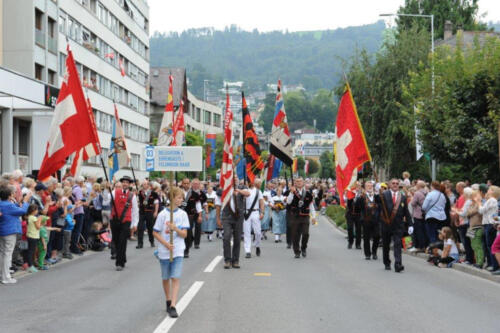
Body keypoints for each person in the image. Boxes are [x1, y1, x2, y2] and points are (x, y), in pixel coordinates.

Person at [153, 186, 189, 318]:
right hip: (164, 251)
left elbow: (184, 234)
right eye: (179, 197)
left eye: (182, 198)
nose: (181, 200)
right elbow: (155, 232)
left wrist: (176, 229)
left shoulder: (182, 214)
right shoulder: (163, 214)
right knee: (166, 277)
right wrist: (166, 244)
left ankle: (173, 305)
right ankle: (168, 299)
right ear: (172, 198)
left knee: (175, 277)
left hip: (178, 250)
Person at [379, 178, 413, 272]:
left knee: (397, 244)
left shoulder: (402, 197)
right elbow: (379, 206)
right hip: (386, 224)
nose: (395, 185)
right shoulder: (384, 195)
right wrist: (379, 194)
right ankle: (387, 262)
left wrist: (410, 224)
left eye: (397, 183)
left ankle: (398, 264)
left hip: (398, 225)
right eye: (393, 183)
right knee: (386, 245)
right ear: (389, 185)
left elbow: (406, 211)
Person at [0, 185, 31, 284]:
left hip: (3, 231)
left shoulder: (3, 203)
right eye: (12, 194)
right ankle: (6, 277)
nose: (14, 195)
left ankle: (3, 274)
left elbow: (16, 208)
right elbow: (22, 211)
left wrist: (16, 201)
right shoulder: (8, 205)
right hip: (9, 231)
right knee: (7, 254)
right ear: (9, 195)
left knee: (3, 253)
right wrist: (25, 201)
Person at [216, 177, 248, 269]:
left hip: (238, 217)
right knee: (226, 237)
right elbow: (218, 205)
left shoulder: (242, 187)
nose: (235, 180)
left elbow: (248, 193)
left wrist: (238, 191)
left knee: (237, 238)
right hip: (226, 216)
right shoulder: (222, 190)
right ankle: (227, 260)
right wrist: (218, 218)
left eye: (236, 179)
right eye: (233, 178)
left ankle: (235, 260)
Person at [110, 176, 138, 271]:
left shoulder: (132, 195)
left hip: (126, 220)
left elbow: (135, 210)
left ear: (129, 184)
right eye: (123, 182)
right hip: (115, 220)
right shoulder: (114, 192)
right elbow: (106, 201)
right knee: (116, 240)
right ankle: (123, 257)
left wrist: (135, 223)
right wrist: (107, 189)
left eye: (127, 182)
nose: (125, 184)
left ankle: (119, 263)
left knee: (122, 241)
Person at [287, 177, 317, 258]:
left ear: (303, 182)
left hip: (305, 216)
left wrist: (313, 217)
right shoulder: (292, 192)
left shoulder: (308, 194)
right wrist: (291, 193)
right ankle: (297, 251)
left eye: (300, 181)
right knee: (295, 235)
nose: (299, 183)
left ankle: (304, 248)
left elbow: (311, 206)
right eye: (297, 181)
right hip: (295, 216)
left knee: (306, 234)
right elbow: (288, 202)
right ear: (295, 183)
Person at [180, 178, 206, 257]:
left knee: (188, 232)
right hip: (179, 215)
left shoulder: (195, 194)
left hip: (189, 215)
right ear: (182, 184)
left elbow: (198, 206)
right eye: (184, 183)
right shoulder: (178, 193)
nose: (186, 185)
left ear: (189, 184)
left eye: (187, 183)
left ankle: (186, 250)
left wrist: (200, 216)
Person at [476, 185, 500, 272]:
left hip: (490, 224)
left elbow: (482, 210)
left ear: (493, 191)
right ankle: (492, 264)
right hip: (489, 224)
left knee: (490, 245)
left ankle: (495, 265)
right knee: (489, 245)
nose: (488, 190)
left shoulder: (492, 200)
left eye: (489, 189)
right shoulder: (491, 200)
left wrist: (479, 203)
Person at [358, 181, 381, 260]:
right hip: (366, 220)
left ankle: (374, 252)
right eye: (368, 186)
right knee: (366, 238)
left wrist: (378, 192)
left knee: (377, 236)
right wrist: (359, 196)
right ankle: (367, 254)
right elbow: (358, 207)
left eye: (371, 186)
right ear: (365, 187)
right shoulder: (362, 196)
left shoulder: (376, 196)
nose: (370, 187)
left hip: (376, 220)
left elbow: (381, 203)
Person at [243, 179, 265, 258]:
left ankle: (257, 245)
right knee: (247, 232)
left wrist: (262, 212)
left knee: (258, 232)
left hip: (255, 212)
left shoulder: (258, 192)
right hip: (246, 213)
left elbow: (261, 203)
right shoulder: (244, 190)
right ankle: (247, 250)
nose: (250, 183)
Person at [137, 180, 159, 249]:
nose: (145, 185)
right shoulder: (140, 193)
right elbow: (138, 202)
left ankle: (152, 241)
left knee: (150, 228)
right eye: (143, 184)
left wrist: (156, 211)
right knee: (140, 227)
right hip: (142, 212)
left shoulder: (153, 193)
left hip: (150, 212)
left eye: (146, 184)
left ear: (148, 185)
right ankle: (140, 243)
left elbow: (156, 203)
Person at [467, 190, 484, 269]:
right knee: (472, 245)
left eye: (474, 195)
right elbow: (468, 213)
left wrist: (472, 209)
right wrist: (471, 210)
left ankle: (480, 262)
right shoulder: (471, 204)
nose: (472, 197)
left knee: (478, 245)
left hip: (478, 226)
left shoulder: (480, 203)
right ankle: (476, 261)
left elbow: (472, 212)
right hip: (471, 227)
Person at [410, 181, 428, 251]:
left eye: (417, 184)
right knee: (424, 230)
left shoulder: (417, 193)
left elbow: (413, 203)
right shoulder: (427, 192)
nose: (416, 185)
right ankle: (425, 246)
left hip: (418, 214)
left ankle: (420, 246)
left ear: (419, 186)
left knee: (418, 231)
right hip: (425, 214)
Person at [26, 204, 42, 273]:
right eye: (37, 210)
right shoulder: (34, 218)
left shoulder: (29, 217)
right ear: (33, 211)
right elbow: (38, 227)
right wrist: (40, 220)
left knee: (30, 251)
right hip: (33, 236)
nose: (37, 211)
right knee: (31, 251)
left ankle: (30, 265)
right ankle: (30, 266)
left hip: (30, 235)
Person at [345, 184, 362, 249]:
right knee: (350, 228)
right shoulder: (350, 193)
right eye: (356, 187)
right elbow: (348, 204)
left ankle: (358, 244)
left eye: (358, 187)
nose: (357, 188)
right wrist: (351, 197)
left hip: (358, 214)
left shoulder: (362, 195)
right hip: (350, 213)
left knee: (358, 230)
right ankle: (350, 242)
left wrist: (359, 197)